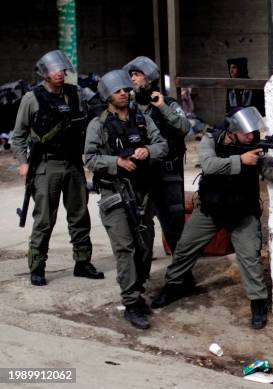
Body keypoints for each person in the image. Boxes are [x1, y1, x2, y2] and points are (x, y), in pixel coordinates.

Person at [151, 106, 273, 330]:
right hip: (210, 209)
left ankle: (258, 302)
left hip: (243, 211)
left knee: (250, 258)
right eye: (247, 132)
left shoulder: (255, 145)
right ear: (233, 129)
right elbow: (208, 165)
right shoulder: (211, 139)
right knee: (185, 248)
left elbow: (271, 173)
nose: (251, 136)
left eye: (253, 132)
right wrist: (240, 160)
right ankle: (174, 285)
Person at [84, 69, 168, 330]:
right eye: (117, 90)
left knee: (144, 247)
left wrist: (148, 150)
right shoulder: (98, 125)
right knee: (125, 248)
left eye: (125, 89)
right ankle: (131, 303)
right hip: (115, 195)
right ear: (108, 95)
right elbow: (89, 158)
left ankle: (138, 290)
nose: (123, 93)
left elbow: (162, 146)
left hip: (142, 194)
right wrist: (116, 162)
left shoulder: (141, 118)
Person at [12, 49, 103, 286]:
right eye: (54, 71)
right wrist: (23, 163)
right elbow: (18, 136)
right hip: (46, 165)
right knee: (44, 219)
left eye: (62, 70)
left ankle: (83, 262)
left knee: (80, 216)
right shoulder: (32, 99)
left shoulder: (76, 94)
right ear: (45, 74)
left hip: (73, 164)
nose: (59, 74)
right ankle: (37, 267)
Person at [123, 56, 190, 253]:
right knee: (140, 224)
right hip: (141, 173)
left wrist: (162, 107)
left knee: (174, 226)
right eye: (131, 75)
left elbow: (184, 127)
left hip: (167, 174)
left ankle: (182, 275)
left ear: (150, 79)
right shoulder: (130, 106)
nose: (133, 79)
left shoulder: (167, 103)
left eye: (137, 75)